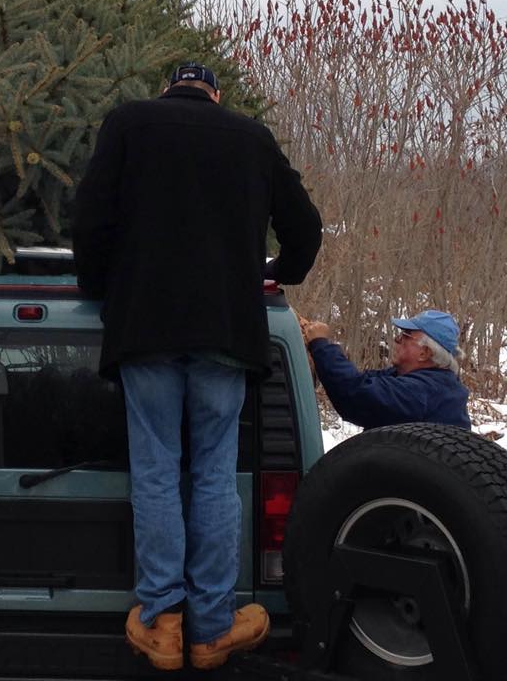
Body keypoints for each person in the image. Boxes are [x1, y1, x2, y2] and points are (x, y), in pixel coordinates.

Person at [72, 63, 322, 670]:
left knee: (156, 468)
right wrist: (277, 272)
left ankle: (161, 622)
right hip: (226, 331)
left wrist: (101, 285)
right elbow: (305, 228)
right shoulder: (250, 136)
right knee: (212, 473)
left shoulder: (129, 123)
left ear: (167, 90)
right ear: (216, 95)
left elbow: (92, 217)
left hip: (145, 328)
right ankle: (212, 627)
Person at [298, 309, 471, 429]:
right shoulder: (431, 383)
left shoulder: (422, 392)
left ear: (424, 353)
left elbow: (355, 394)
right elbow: (360, 381)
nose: (396, 340)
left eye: (405, 336)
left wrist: (320, 345)